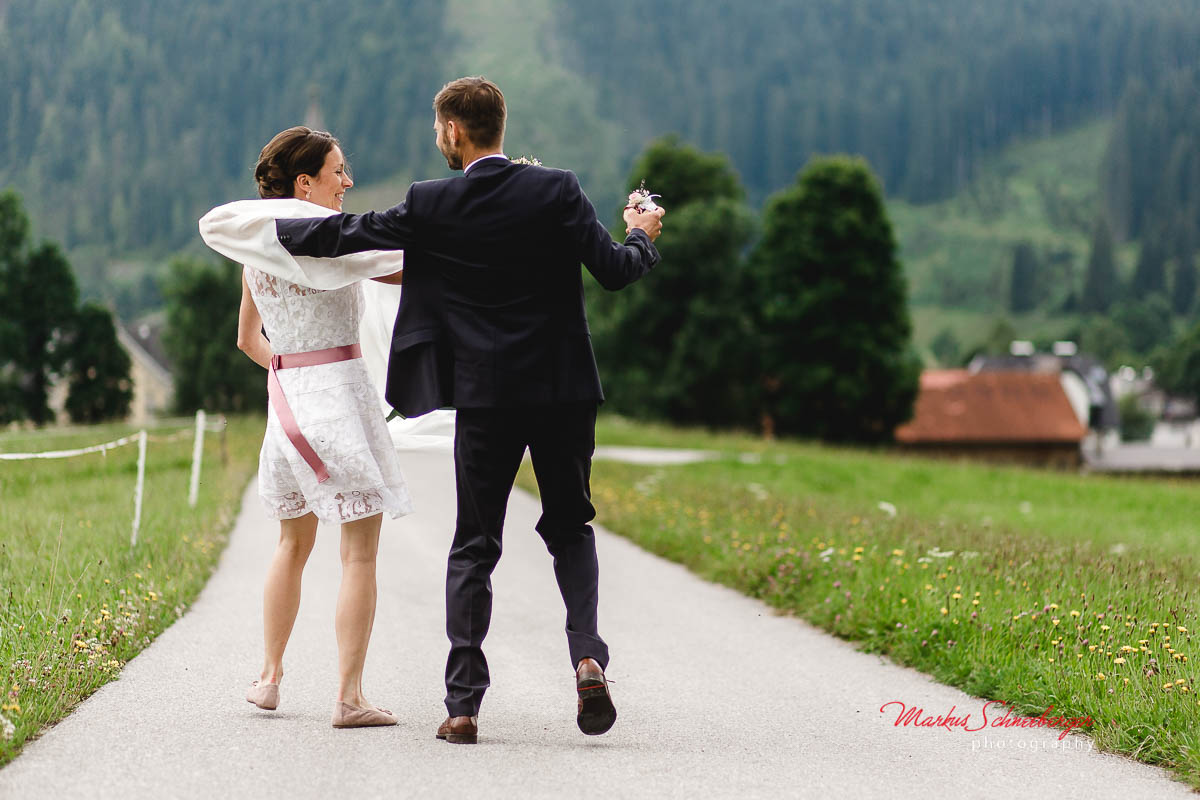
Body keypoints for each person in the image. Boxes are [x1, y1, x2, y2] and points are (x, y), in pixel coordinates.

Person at [270, 76, 665, 744]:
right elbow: (616, 270)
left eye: (437, 130)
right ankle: (588, 655)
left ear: (454, 131)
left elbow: (345, 234)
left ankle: (462, 705)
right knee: (571, 527)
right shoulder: (557, 189)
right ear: (498, 125)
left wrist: (266, 232)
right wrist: (642, 233)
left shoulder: (433, 203)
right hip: (565, 390)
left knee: (474, 546)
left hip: (487, 397)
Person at [220, 126, 412, 729]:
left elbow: (249, 340)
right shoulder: (338, 245)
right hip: (341, 404)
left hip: (287, 409)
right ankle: (349, 696)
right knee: (358, 555)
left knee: (290, 546)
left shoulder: (258, 250)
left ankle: (270, 677)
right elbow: (412, 273)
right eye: (338, 172)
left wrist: (291, 370)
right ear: (306, 182)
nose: (348, 183)